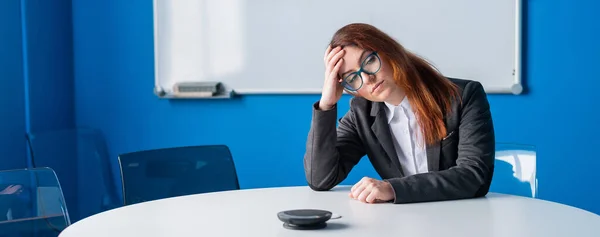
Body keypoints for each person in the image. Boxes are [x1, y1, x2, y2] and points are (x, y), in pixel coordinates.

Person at [303, 23, 495, 204]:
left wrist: (393, 189)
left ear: (388, 51)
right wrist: (326, 104)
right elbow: (321, 178)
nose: (367, 79)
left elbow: (474, 176)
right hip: (402, 221)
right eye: (352, 78)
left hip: (461, 218)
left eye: (369, 61)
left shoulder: (463, 96)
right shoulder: (361, 114)